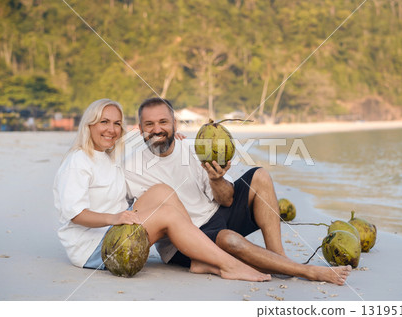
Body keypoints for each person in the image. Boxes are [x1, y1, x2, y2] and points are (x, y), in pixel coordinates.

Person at [124, 97, 352, 286]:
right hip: (182, 242)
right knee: (229, 239)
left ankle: (279, 258)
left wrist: (216, 179)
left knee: (260, 175)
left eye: (163, 122)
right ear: (140, 127)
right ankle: (308, 271)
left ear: (175, 124)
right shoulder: (131, 168)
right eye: (149, 124)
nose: (157, 130)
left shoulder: (195, 149)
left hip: (216, 215)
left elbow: (227, 199)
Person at [53, 98, 270, 282]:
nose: (111, 129)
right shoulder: (78, 161)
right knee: (166, 213)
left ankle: (201, 261)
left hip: (113, 233)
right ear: (89, 125)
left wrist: (169, 135)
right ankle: (228, 265)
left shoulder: (107, 157)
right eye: (104, 122)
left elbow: (148, 142)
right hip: (96, 250)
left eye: (117, 123)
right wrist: (116, 217)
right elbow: (75, 214)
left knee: (161, 191)